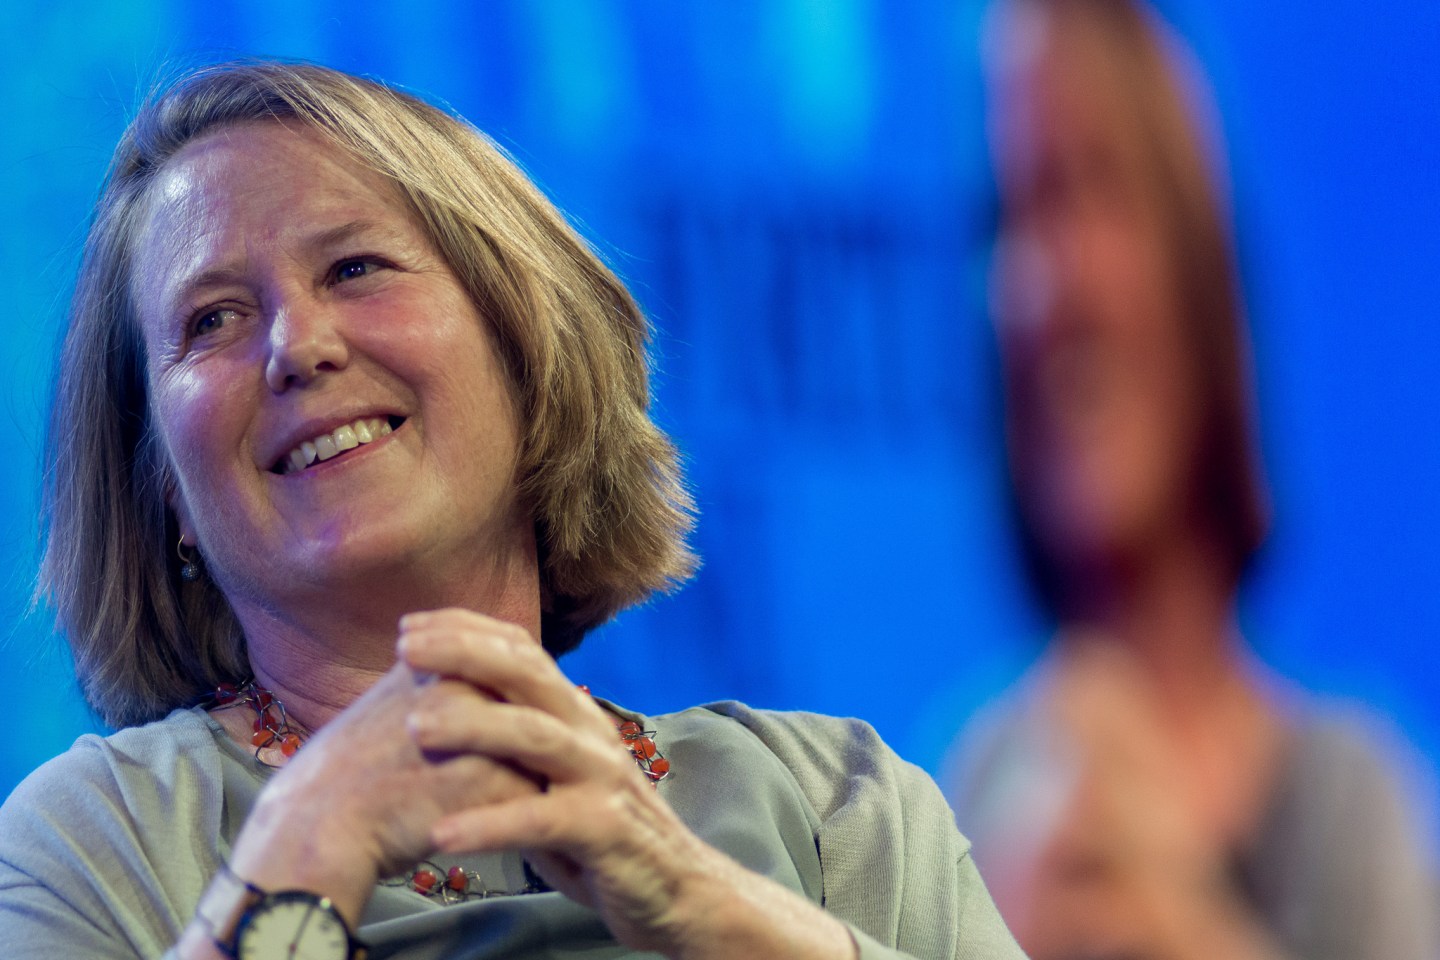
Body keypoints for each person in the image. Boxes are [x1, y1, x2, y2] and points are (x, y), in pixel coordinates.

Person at [0, 61, 1022, 960]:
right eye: (212, 319)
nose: (296, 346)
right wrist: (299, 865)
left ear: (532, 358)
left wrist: (695, 903)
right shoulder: (100, 845)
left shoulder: (837, 809)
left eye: (354, 268)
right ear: (167, 493)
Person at [943, 1, 1437, 958]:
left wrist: (1181, 924)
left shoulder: (1350, 801)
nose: (1051, 285)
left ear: (1198, 272)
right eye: (1015, 214)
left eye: (1097, 188)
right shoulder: (957, 805)